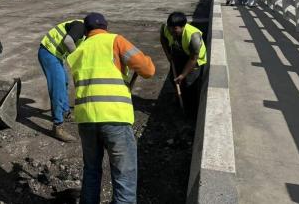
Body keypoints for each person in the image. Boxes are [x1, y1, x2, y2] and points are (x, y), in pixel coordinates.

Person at [66, 12, 156, 204]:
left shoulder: (79, 51)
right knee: (124, 173)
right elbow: (148, 70)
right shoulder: (115, 40)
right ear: (105, 27)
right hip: (114, 117)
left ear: (86, 31)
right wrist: (146, 60)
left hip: (86, 120)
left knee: (91, 170)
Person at [38, 19, 86, 142]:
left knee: (64, 82)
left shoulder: (85, 31)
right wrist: (77, 61)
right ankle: (58, 126)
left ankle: (65, 113)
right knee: (58, 89)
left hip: (56, 55)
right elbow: (68, 41)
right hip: (48, 52)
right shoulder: (80, 26)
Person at [160, 12, 207, 116]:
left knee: (189, 83)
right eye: (170, 29)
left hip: (195, 60)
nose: (172, 32)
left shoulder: (194, 36)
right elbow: (163, 40)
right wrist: (168, 55)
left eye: (175, 30)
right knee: (173, 78)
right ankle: (179, 99)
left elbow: (193, 58)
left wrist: (182, 75)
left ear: (183, 26)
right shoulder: (165, 28)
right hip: (179, 53)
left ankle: (192, 111)